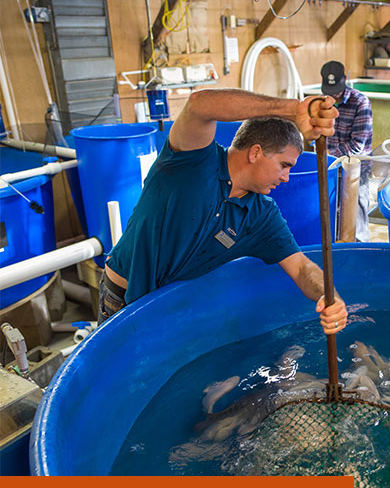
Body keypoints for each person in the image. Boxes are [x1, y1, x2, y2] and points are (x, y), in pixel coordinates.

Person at [98, 88, 349, 337]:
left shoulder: (261, 216)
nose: (286, 178)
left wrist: (330, 298)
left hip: (170, 315)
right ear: (256, 152)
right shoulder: (191, 160)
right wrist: (294, 110)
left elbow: (302, 267)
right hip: (121, 302)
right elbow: (199, 104)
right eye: (284, 165)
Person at [320, 60, 373, 242]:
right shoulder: (322, 103)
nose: (333, 95)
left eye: (336, 90)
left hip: (356, 168)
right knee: (333, 215)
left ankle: (362, 253)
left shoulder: (361, 103)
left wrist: (326, 154)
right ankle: (338, 252)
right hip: (332, 168)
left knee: (356, 217)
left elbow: (357, 146)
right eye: (329, 90)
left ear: (345, 80)